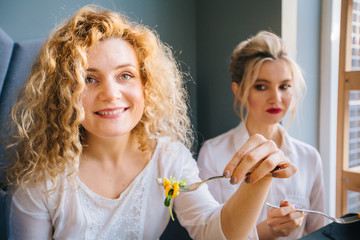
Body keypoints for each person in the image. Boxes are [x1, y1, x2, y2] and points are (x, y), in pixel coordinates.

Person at [4, 7, 296, 240]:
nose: (110, 93)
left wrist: (260, 179)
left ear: (146, 84)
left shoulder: (170, 158)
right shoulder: (41, 183)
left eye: (125, 75)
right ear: (63, 92)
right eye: (89, 79)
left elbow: (216, 232)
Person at [197, 31, 325, 240]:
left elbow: (319, 232)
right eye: (261, 86)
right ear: (239, 91)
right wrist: (267, 231)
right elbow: (209, 235)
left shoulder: (310, 158)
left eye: (284, 86)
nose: (276, 98)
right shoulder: (213, 153)